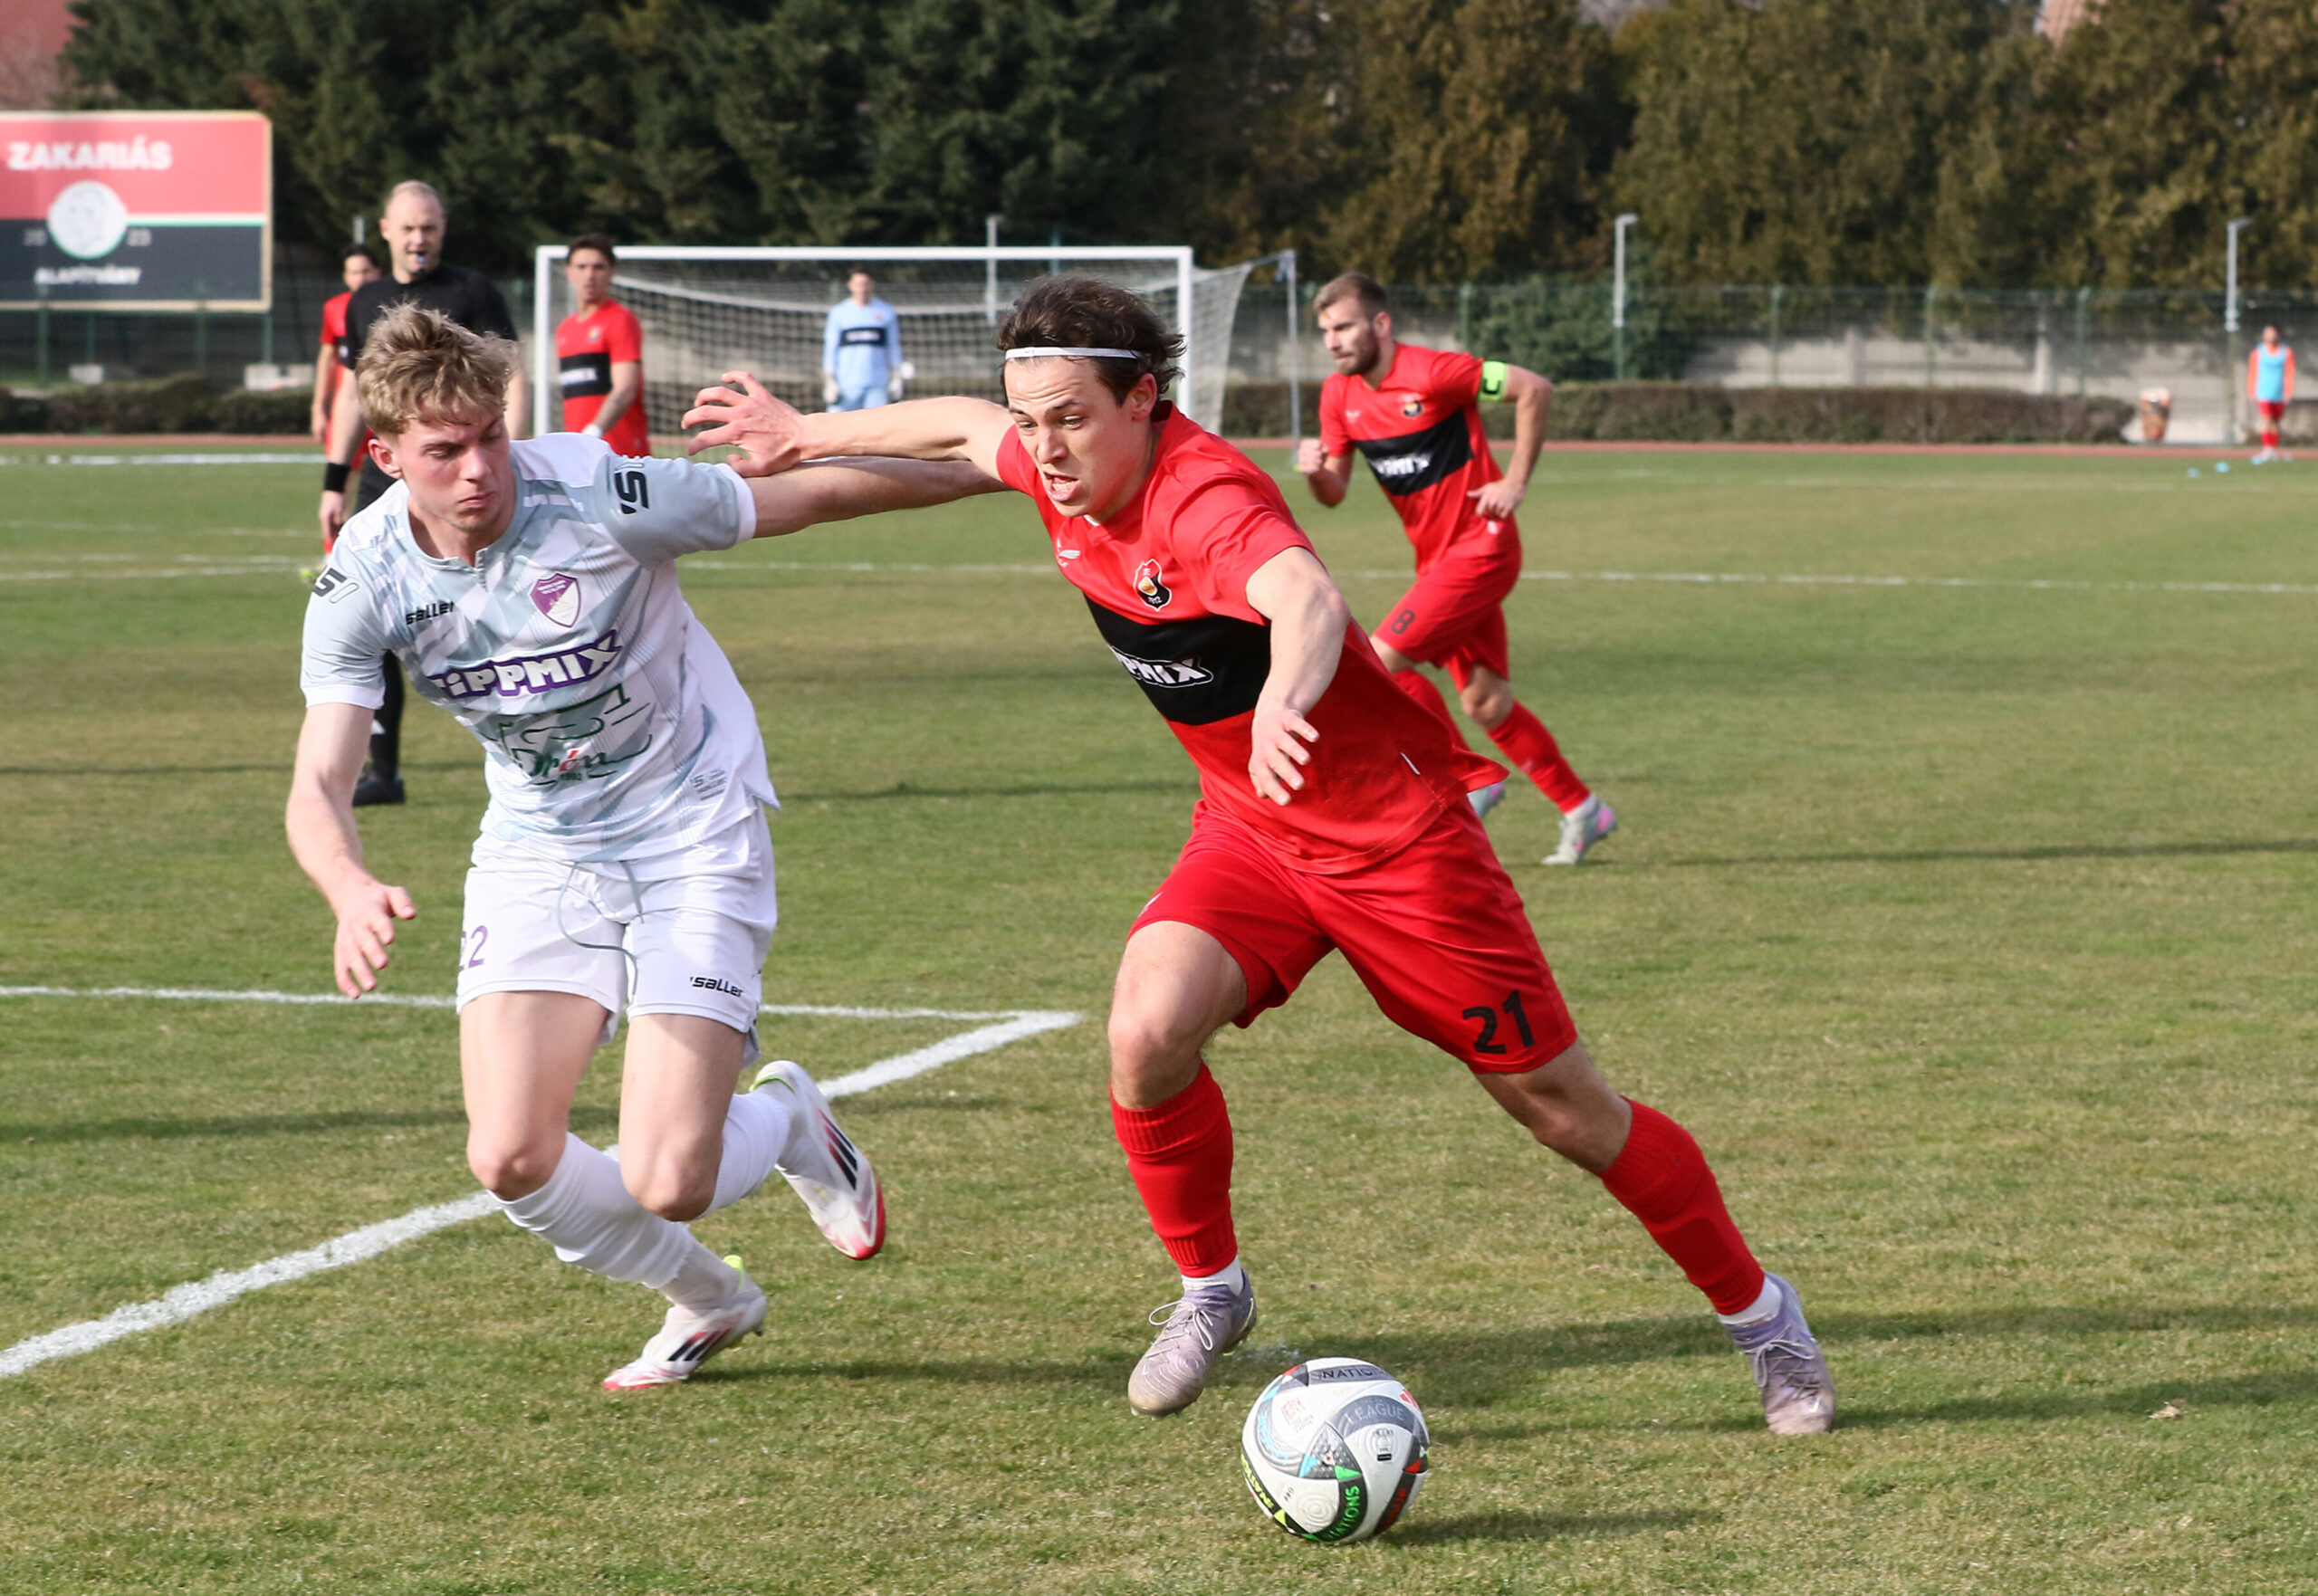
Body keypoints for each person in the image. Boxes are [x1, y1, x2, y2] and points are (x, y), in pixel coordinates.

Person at [683, 276, 1835, 1434]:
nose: (1045, 446)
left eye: (1071, 418)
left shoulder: (1204, 496)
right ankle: (1212, 1291)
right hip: (1252, 826)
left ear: (1144, 400)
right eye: (1033, 419)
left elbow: (1303, 594)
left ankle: (1761, 1315)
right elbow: (958, 431)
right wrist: (804, 435)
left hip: (1397, 843)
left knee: (1564, 1108)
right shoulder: (1053, 457)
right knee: (1145, 1030)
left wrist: (1285, 695)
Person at [288, 303, 997, 1390]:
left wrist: (1006, 468)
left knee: (671, 1176)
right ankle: (712, 1296)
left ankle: (788, 1119)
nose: (479, 468)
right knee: (509, 1155)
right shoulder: (364, 574)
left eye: (490, 434)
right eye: (444, 450)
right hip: (540, 846)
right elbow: (319, 782)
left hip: (691, 823)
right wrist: (346, 883)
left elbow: (813, 495)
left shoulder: (602, 494)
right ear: (384, 456)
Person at [1298, 272, 1614, 866]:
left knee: (1377, 663)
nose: (1333, 341)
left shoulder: (1436, 372)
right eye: (1325, 331)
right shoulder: (1338, 396)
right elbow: (1334, 492)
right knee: (1486, 703)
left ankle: (1466, 778)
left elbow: (1533, 388)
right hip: (1437, 564)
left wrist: (1514, 481)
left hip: (1482, 549)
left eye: (1343, 327)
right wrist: (1316, 471)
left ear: (1380, 324)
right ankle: (1583, 809)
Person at [319, 180, 530, 808]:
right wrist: (333, 479)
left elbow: (511, 379)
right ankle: (381, 770)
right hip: (382, 486)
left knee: (501, 610)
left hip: (460, 483)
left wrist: (508, 457)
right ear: (386, 230)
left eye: (430, 228)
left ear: (443, 229)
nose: (420, 239)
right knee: (369, 616)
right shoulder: (365, 301)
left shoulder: (473, 293)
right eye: (409, 228)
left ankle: (537, 750)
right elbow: (354, 394)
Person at [556, 234, 651, 458]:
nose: (589, 275)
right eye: (581, 267)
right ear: (569, 272)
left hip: (620, 453)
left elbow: (625, 388)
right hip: (581, 452)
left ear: (611, 272)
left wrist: (593, 432)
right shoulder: (565, 329)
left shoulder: (620, 320)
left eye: (598, 267)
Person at [309, 242, 381, 444]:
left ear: (377, 272)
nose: (361, 278)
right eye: (355, 273)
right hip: (348, 400)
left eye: (366, 271)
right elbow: (327, 359)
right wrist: (318, 409)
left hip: (383, 400)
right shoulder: (334, 307)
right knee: (343, 460)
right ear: (345, 276)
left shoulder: (390, 303)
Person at [821, 269, 903, 412]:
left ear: (871, 284)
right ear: (851, 285)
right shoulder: (839, 313)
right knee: (839, 423)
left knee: (876, 424)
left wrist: (897, 377)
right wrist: (830, 381)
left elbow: (893, 346)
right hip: (846, 384)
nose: (862, 288)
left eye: (865, 284)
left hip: (877, 383)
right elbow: (831, 348)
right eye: (858, 284)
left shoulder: (885, 312)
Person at [2247, 325, 2295, 465]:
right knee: (2266, 419)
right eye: (2268, 334)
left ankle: (2273, 449)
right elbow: (2253, 372)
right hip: (2263, 391)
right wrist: (2251, 390)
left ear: (2277, 335)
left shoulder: (2286, 352)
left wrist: (2288, 391)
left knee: (2275, 422)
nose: (2271, 336)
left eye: (2273, 334)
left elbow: (2290, 372)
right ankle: (2266, 448)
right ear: (2264, 336)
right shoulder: (2258, 352)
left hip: (2278, 392)